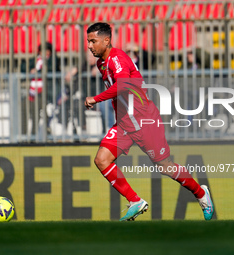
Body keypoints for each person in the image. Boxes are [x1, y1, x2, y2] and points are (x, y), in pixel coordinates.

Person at [84, 22, 214, 221]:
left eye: (93, 41)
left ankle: (201, 193)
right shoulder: (101, 63)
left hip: (144, 121)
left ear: (107, 40)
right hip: (126, 124)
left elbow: (123, 86)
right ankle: (135, 201)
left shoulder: (117, 59)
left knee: (165, 167)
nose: (90, 46)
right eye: (88, 41)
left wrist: (96, 98)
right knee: (102, 159)